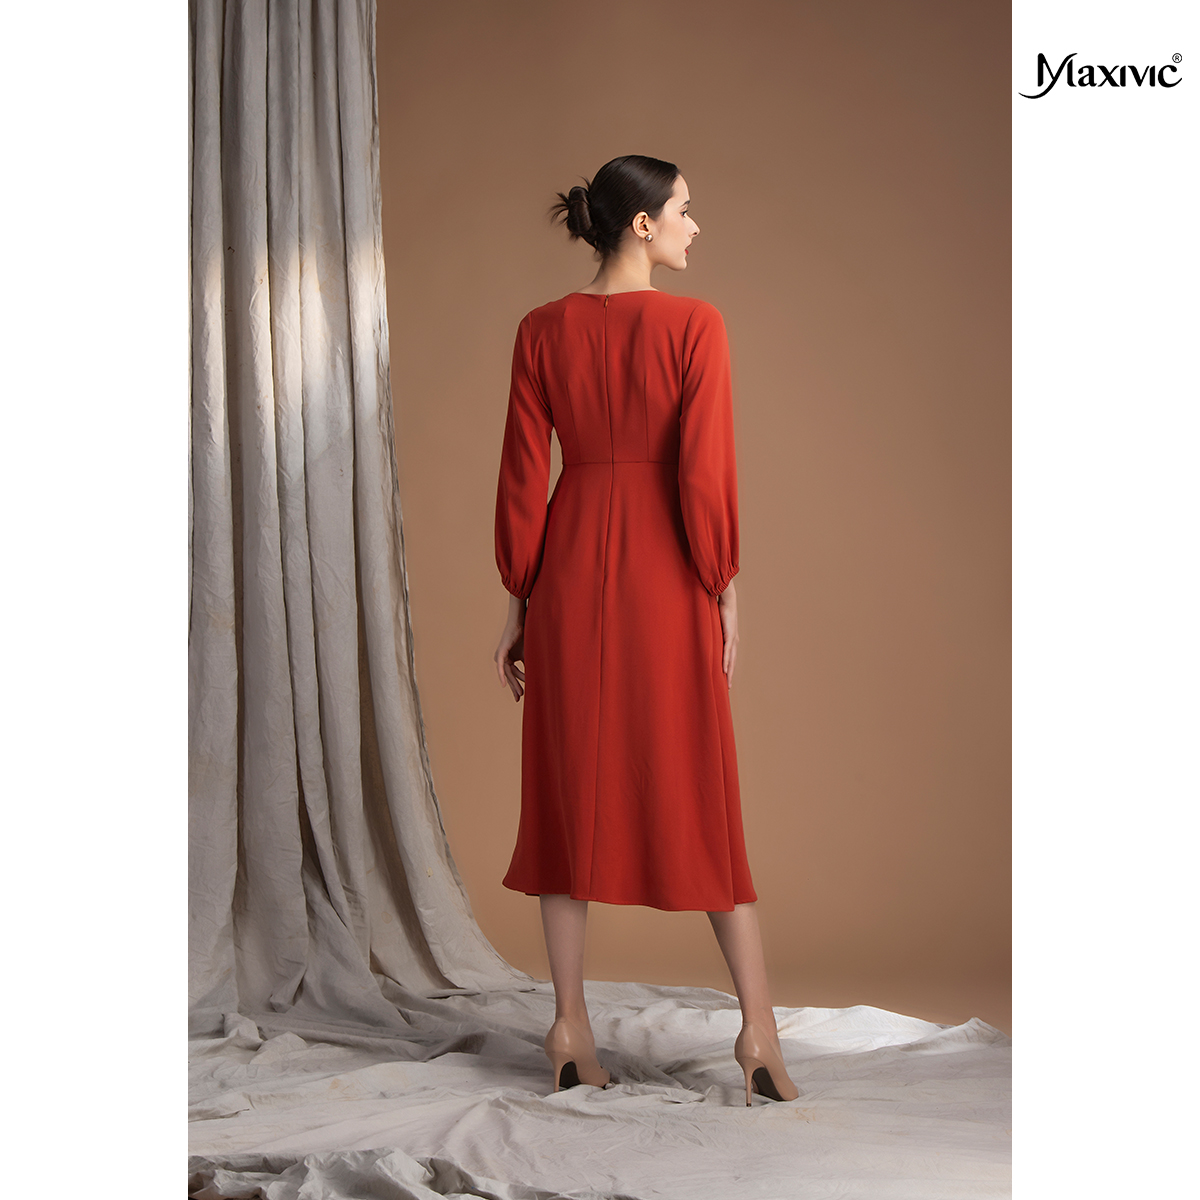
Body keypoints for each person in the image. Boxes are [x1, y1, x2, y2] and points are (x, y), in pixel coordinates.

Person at [492, 155, 798, 1107]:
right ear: (641, 224)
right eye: (684, 211)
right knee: (701, 787)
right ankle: (758, 1032)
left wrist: (519, 598)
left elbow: (522, 474)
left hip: (570, 568)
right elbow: (704, 470)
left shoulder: (541, 330)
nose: (694, 227)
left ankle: (569, 1027)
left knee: (565, 791)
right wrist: (723, 583)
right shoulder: (695, 326)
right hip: (666, 573)